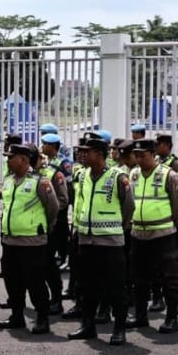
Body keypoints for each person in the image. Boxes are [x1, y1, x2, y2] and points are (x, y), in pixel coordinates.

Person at [65, 134, 134, 344]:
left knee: (115, 287)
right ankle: (88, 326)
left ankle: (119, 329)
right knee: (87, 287)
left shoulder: (117, 176)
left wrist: (117, 227)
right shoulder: (83, 175)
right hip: (86, 240)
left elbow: (128, 206)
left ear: (99, 154)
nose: (82, 155)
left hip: (110, 242)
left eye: (87, 152)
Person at [0, 143, 58, 334]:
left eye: (10, 157)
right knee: (12, 280)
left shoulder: (40, 181)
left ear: (23, 160)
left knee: (35, 282)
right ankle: (17, 315)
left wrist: (42, 228)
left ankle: (42, 317)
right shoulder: (8, 181)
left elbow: (52, 207)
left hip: (32, 242)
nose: (7, 160)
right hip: (10, 240)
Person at [126, 138, 178, 334]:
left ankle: (172, 318)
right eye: (136, 155)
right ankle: (140, 316)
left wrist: (168, 222)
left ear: (153, 155)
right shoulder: (133, 174)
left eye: (143, 155)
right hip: (138, 234)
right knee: (139, 278)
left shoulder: (169, 175)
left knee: (169, 278)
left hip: (162, 234)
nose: (139, 159)